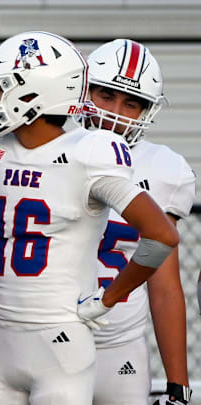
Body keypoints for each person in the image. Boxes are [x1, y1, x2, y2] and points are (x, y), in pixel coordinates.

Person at [0, 31, 178, 405]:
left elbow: (162, 236)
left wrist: (109, 298)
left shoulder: (90, 153)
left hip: (62, 344)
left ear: (32, 94)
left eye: (2, 87)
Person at [82, 39, 195, 405]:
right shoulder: (45, 151)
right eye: (106, 95)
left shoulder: (164, 168)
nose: (116, 112)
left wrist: (178, 386)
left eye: (131, 103)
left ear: (147, 111)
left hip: (120, 346)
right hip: (46, 338)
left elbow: (164, 286)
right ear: (84, 91)